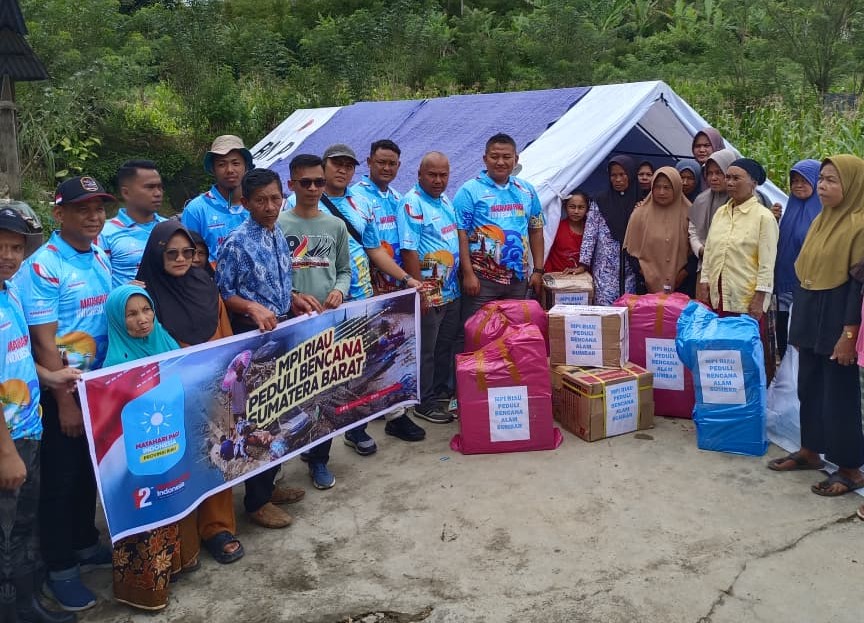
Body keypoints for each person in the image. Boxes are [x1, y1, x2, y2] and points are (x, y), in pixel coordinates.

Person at [15, 176, 115, 612]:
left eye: (99, 208)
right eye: (82, 209)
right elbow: (43, 342)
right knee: (60, 480)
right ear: (59, 214)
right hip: (61, 394)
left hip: (99, 388)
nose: (94, 217)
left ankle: (84, 541)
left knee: (88, 470)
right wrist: (64, 402)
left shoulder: (98, 252)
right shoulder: (44, 266)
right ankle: (60, 568)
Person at [287, 144, 421, 456]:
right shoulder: (296, 203)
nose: (342, 170)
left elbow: (373, 250)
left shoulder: (360, 203)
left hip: (360, 298)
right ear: (323, 167)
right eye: (336, 164)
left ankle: (356, 430)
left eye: (348, 165)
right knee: (319, 375)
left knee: (359, 368)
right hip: (319, 304)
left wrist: (406, 279)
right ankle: (313, 444)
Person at [136, 222, 253, 557]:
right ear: (156, 255)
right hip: (170, 395)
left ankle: (217, 528)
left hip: (213, 387)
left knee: (217, 452)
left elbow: (225, 334)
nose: (180, 259)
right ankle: (182, 535)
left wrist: (232, 377)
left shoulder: (205, 284)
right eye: (171, 253)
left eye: (187, 252)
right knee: (178, 463)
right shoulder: (143, 297)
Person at [216, 170, 321, 528]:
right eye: (260, 200)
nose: (270, 206)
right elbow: (223, 293)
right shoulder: (236, 242)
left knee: (282, 409)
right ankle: (256, 502)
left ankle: (270, 484)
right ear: (245, 203)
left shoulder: (277, 234)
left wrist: (294, 298)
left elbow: (277, 283)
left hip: (282, 329)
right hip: (253, 338)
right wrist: (251, 308)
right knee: (260, 417)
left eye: (275, 198)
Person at [280, 154, 383, 488]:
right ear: (291, 184)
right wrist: (293, 295)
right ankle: (292, 455)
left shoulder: (335, 225)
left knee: (327, 392)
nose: (313, 188)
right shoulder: (279, 225)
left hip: (330, 321)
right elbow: (275, 274)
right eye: (305, 182)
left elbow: (344, 270)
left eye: (318, 182)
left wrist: (339, 290)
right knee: (295, 394)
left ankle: (319, 459)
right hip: (293, 324)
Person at [0, 206, 78, 623]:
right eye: (0, 246)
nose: (8, 256)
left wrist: (50, 376)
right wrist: (5, 453)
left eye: (16, 247)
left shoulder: (10, 290)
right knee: (6, 533)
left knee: (23, 525)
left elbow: (17, 357)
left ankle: (27, 603)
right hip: (8, 439)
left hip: (28, 428)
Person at [772, 155, 864, 498]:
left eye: (831, 180)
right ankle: (811, 450)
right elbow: (805, 273)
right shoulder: (821, 220)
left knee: (839, 393)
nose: (822, 186)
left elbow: (857, 287)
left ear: (852, 185)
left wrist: (849, 335)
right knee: (808, 386)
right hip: (811, 311)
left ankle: (850, 467)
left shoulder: (859, 225)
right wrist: (800, 328)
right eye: (821, 179)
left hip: (839, 314)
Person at [103, 285, 182, 611]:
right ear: (117, 320)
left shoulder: (165, 341)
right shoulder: (112, 366)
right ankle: (144, 590)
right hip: (138, 461)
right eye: (131, 314)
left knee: (174, 504)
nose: (142, 319)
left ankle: (174, 568)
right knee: (146, 520)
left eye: (146, 310)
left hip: (171, 446)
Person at [698, 158, 779, 375]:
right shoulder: (721, 213)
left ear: (753, 183)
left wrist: (759, 297)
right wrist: (704, 281)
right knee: (723, 356)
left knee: (747, 358)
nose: (730, 182)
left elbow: (767, 263)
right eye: (728, 178)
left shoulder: (764, 217)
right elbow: (710, 251)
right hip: (720, 295)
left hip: (746, 299)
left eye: (736, 178)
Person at [398, 152, 461, 425]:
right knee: (426, 350)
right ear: (419, 174)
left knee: (444, 346)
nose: (438, 180)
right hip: (429, 292)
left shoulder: (445, 199)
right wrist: (420, 291)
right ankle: (423, 401)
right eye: (432, 175)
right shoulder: (412, 203)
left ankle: (439, 392)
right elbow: (408, 250)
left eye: (443, 175)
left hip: (451, 290)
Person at [454, 133, 545, 319]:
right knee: (476, 328)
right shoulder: (469, 191)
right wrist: (468, 274)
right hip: (481, 280)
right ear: (485, 159)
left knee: (514, 329)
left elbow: (536, 230)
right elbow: (460, 234)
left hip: (518, 279)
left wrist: (538, 270)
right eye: (495, 157)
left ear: (516, 159)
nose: (500, 162)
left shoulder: (527, 190)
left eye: (506, 157)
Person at [774, 159, 822, 359]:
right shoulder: (790, 210)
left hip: (809, 288)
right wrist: (774, 221)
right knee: (784, 331)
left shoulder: (823, 214)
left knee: (804, 337)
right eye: (794, 181)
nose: (798, 185)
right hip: (785, 284)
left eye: (804, 180)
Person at [181, 135, 253, 263]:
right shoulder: (196, 210)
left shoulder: (257, 205)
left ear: (246, 166)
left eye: (236, 163)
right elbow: (186, 258)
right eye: (221, 164)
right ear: (213, 169)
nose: (230, 170)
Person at [579, 155, 640, 305]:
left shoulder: (640, 201)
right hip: (605, 269)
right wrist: (583, 263)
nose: (618, 179)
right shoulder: (600, 201)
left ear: (631, 174)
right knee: (605, 310)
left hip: (631, 268)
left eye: (622, 174)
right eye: (613, 175)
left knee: (629, 308)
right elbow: (590, 233)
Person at [624, 167, 694, 295]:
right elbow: (630, 251)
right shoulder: (640, 213)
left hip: (682, 285)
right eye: (657, 187)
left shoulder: (690, 213)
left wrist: (683, 274)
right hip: (645, 285)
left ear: (676, 188)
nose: (661, 192)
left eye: (667, 188)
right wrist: (645, 274)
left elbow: (696, 250)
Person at [98, 160, 167, 288]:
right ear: (126, 193)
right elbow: (97, 283)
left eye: (160, 187)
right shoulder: (104, 234)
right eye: (150, 187)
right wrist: (125, 291)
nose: (158, 193)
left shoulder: (169, 228)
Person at [351, 139, 404, 294]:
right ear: (369, 162)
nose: (386, 168)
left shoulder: (398, 198)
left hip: (401, 282)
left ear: (398, 165)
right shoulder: (355, 197)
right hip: (371, 286)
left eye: (392, 163)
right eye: (381, 162)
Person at [688, 148, 737, 263]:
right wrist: (701, 250)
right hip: (706, 263)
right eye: (709, 173)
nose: (713, 178)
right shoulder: (701, 200)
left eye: (719, 172)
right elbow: (693, 231)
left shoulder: (742, 200)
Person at [543, 191, 588, 274]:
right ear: (565, 207)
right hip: (556, 275)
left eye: (581, 207)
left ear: (587, 209)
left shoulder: (590, 231)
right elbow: (546, 251)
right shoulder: (556, 227)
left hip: (582, 277)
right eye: (572, 207)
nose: (576, 211)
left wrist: (583, 268)